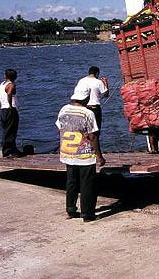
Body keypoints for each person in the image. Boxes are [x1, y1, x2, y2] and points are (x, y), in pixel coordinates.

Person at [56, 88, 106, 222]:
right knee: (87, 184)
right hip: (84, 155)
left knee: (71, 182)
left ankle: (71, 210)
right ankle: (87, 214)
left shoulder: (64, 109)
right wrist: (99, 156)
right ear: (85, 99)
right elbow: (93, 136)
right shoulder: (87, 113)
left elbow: (59, 127)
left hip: (68, 153)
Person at [73, 66, 108, 142]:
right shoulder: (98, 82)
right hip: (94, 109)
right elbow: (106, 94)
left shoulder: (81, 81)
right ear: (97, 73)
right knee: (95, 132)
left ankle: (85, 148)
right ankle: (95, 149)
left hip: (83, 108)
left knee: (84, 131)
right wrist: (105, 83)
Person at [0, 69, 22, 158]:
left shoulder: (2, 84)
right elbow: (9, 94)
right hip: (10, 110)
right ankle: (8, 151)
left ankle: (12, 149)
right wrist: (10, 105)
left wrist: (1, 104)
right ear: (15, 77)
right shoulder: (11, 85)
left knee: (7, 130)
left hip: (4, 110)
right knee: (11, 130)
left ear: (6, 76)